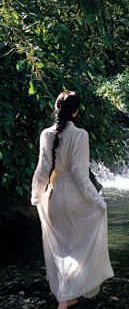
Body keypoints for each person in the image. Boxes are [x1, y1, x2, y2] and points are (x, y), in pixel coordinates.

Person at [31, 91, 114, 309]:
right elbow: (80, 174)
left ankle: (67, 296)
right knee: (78, 249)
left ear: (56, 108)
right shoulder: (80, 135)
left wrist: (36, 195)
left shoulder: (46, 134)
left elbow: (42, 170)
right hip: (75, 199)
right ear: (75, 112)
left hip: (54, 197)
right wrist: (97, 201)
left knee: (61, 250)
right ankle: (65, 301)